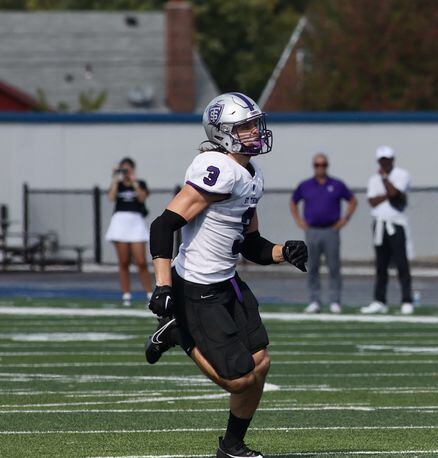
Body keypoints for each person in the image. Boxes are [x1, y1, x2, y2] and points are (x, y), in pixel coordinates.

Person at [142, 92, 308, 458]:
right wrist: (163, 284)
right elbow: (163, 225)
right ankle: (180, 332)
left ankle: (231, 446)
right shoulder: (216, 169)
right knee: (238, 380)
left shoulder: (251, 173)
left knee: (260, 364)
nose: (255, 131)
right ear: (223, 132)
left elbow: (251, 245)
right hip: (198, 286)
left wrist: (283, 252)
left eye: (254, 123)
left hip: (229, 281)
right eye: (245, 126)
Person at [290, 153, 358, 314]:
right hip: (312, 231)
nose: (320, 167)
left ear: (327, 166)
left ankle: (335, 301)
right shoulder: (305, 185)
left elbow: (352, 201)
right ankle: (315, 300)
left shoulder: (336, 184)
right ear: (314, 166)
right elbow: (293, 202)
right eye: (317, 165)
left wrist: (344, 220)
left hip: (331, 231)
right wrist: (299, 221)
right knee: (312, 266)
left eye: (323, 164)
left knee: (334, 267)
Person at [360, 145, 414, 315]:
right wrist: (388, 194)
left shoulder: (402, 174)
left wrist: (385, 183)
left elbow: (394, 193)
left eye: (387, 159)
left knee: (401, 263)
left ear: (392, 160)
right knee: (381, 265)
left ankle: (406, 300)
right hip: (379, 223)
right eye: (382, 160)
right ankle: (379, 300)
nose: (385, 163)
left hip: (396, 223)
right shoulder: (372, 179)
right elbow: (373, 201)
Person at [105, 157, 152, 306]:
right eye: (123, 170)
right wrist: (114, 178)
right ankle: (126, 294)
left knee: (141, 262)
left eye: (127, 169)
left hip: (135, 222)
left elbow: (142, 198)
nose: (125, 173)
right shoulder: (118, 185)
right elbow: (111, 197)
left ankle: (150, 293)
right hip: (120, 222)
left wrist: (133, 181)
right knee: (124, 261)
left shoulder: (140, 184)